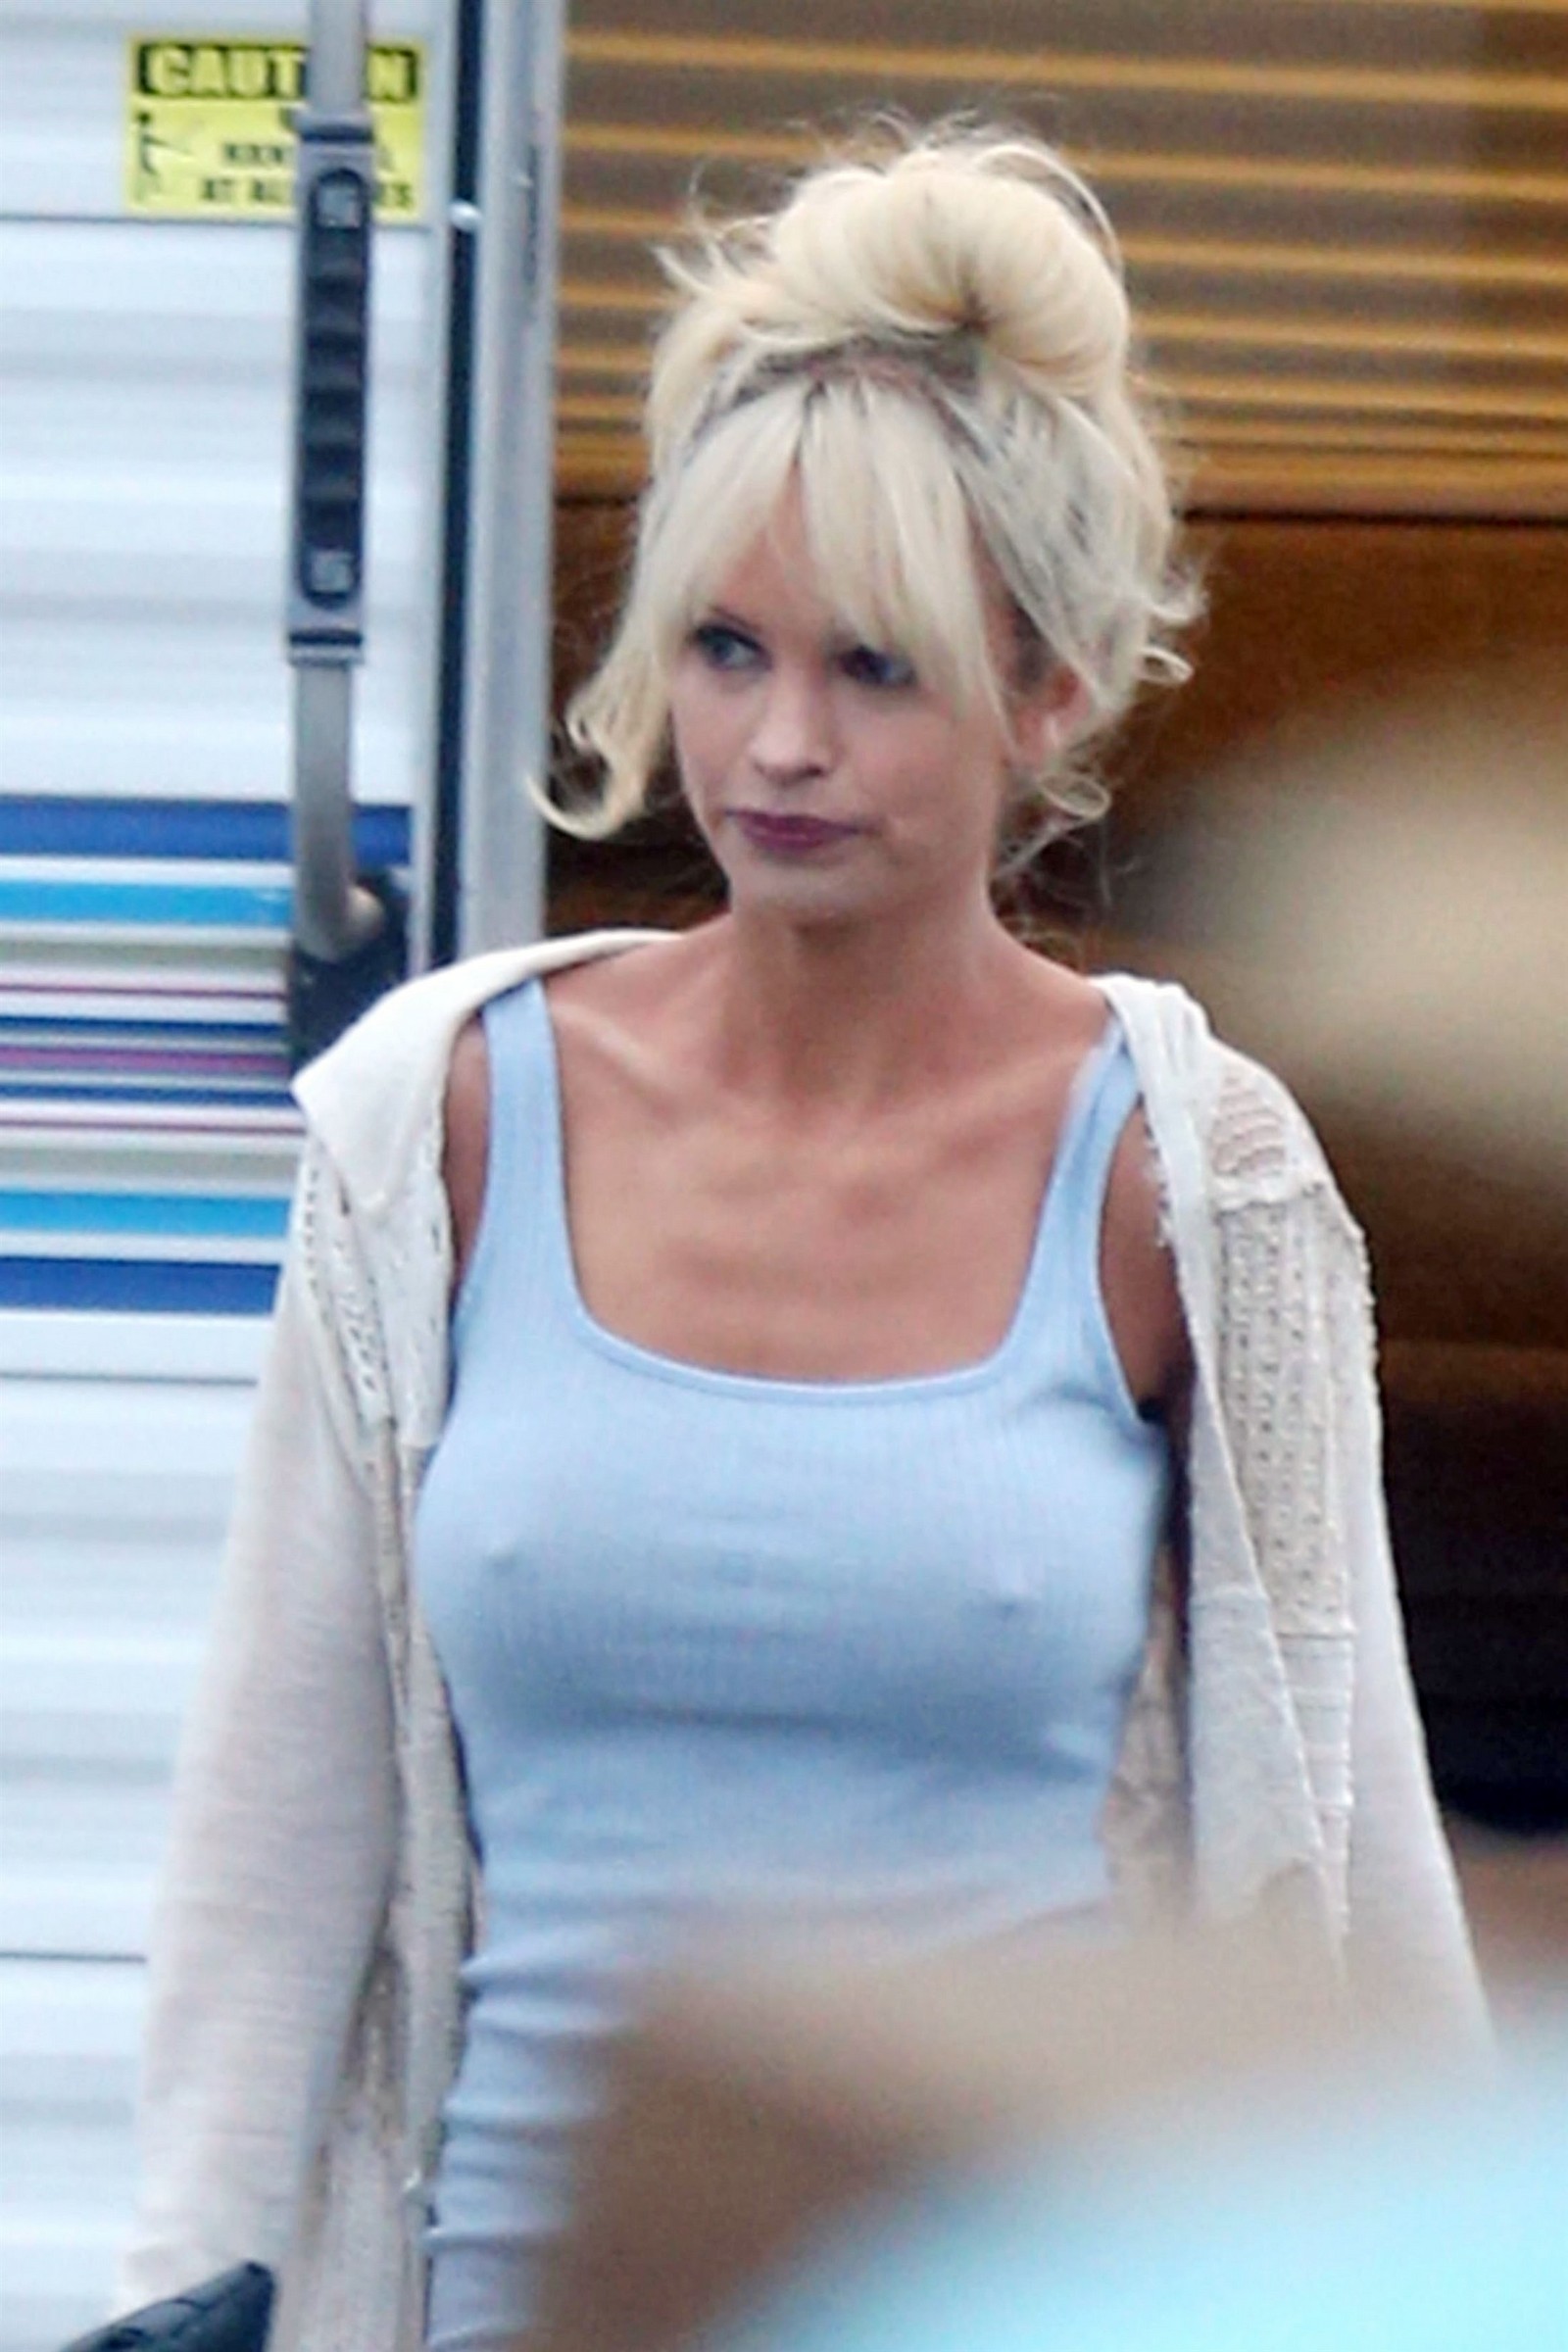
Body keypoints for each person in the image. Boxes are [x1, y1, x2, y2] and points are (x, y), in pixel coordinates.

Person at [115, 123, 1487, 2352]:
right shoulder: (434, 1128)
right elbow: (269, 1849)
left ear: (1046, 691)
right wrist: (182, 2294)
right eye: (726, 649)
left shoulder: (1189, 1173)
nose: (776, 745)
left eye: (875, 669)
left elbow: (1341, 1835)